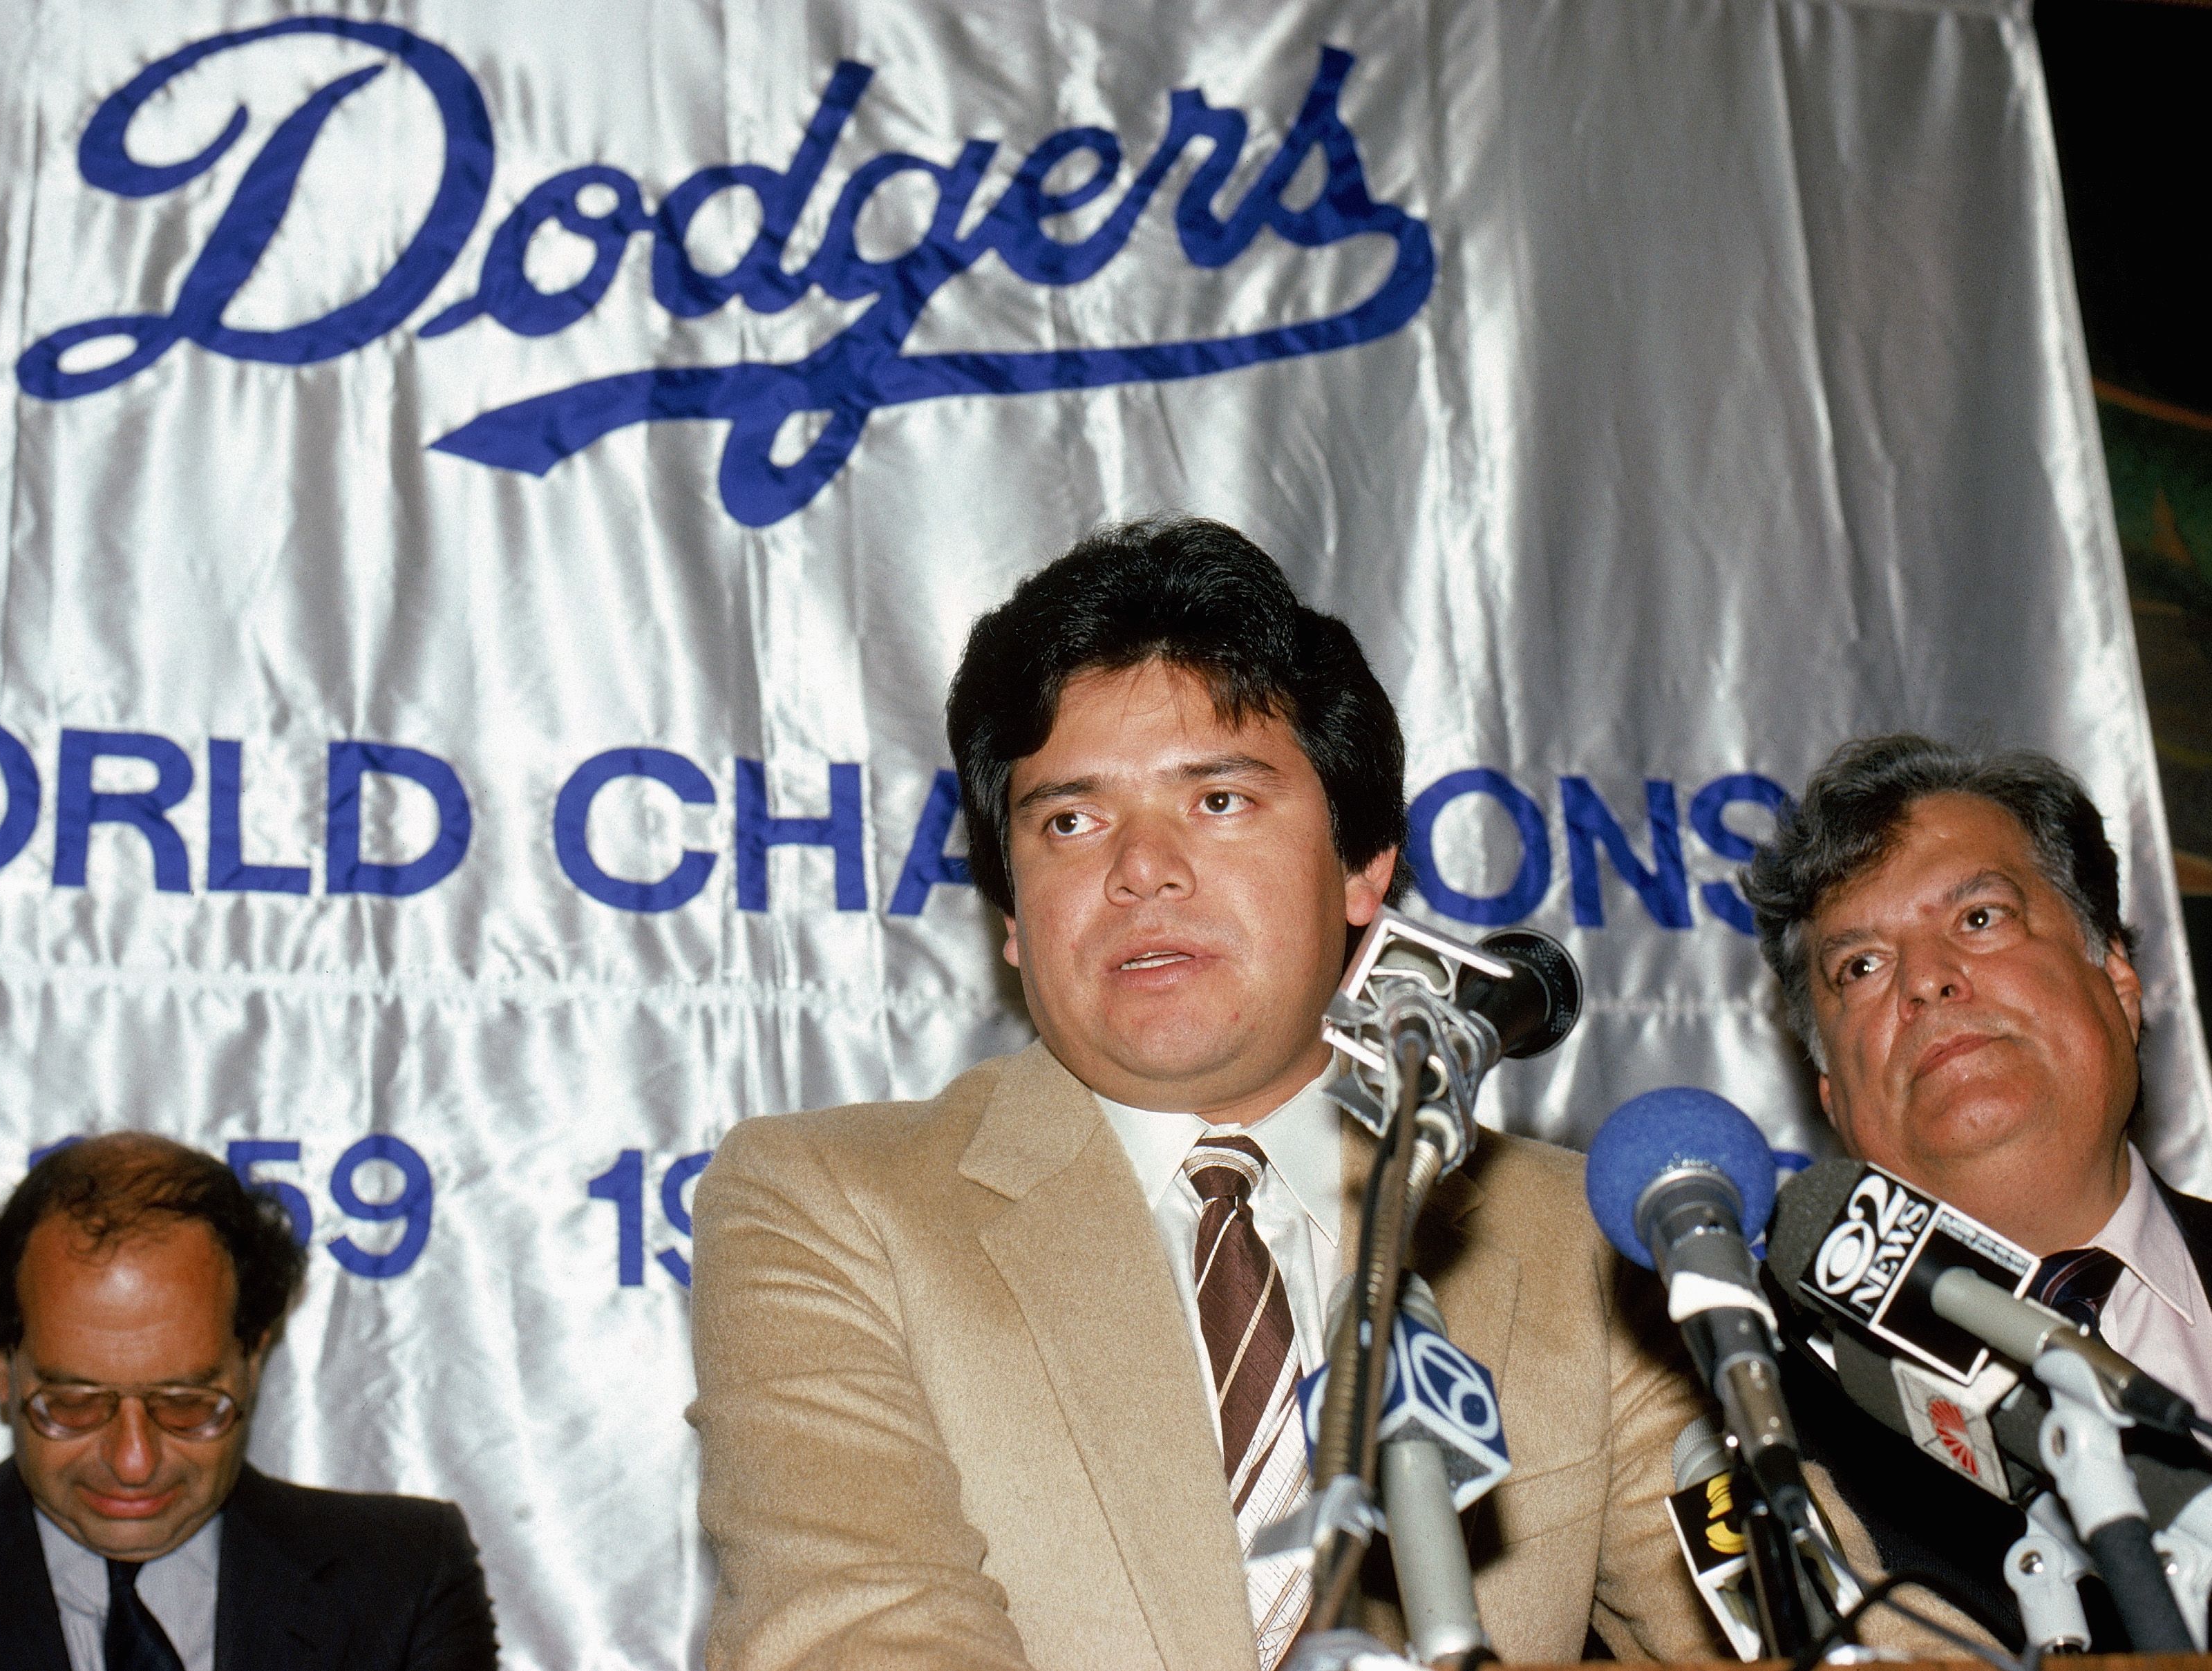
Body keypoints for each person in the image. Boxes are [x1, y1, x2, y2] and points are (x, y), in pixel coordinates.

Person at [692, 514, 1758, 1670]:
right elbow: (862, 1636)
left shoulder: (1572, 1236)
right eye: (1070, 820)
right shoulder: (832, 1201)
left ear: (1362, 867)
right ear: (1009, 914)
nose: (1141, 869)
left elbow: (1801, 1621)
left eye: (1217, 801)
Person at [1745, 732, 2212, 1647]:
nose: (1925, 981)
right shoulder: (1775, 1418)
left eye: (1979, 918)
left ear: (2118, 981)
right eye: (1860, 966)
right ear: (1833, 1099)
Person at [0, 1133, 498, 1670]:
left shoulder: (401, 1583)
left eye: (186, 1404)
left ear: (253, 1359)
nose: (133, 1462)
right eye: (74, 1405)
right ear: (5, 1367)